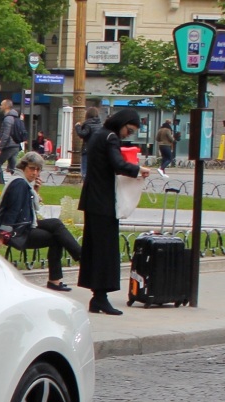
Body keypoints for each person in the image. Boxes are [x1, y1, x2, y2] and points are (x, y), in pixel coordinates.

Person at [78, 107, 150, 315]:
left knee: (95, 249)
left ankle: (97, 296)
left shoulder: (98, 134)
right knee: (106, 251)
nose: (129, 134)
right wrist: (138, 170)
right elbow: (118, 164)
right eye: (129, 129)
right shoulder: (110, 137)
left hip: (92, 200)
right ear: (122, 123)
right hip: (103, 202)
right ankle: (100, 297)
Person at [0, 152, 81, 292]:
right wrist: (2, 237)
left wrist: (35, 190)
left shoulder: (23, 182)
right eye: (32, 169)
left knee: (56, 224)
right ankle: (77, 262)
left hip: (26, 225)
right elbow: (11, 211)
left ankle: (74, 263)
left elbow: (31, 207)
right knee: (57, 237)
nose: (35, 173)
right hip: (19, 232)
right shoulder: (19, 184)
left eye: (38, 170)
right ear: (24, 166)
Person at [0, 105, 24, 184]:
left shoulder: (8, 119)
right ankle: (18, 182)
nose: (0, 106)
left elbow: (6, 135)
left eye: (2, 105)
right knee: (12, 168)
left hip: (9, 145)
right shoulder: (16, 118)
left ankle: (1, 182)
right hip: (16, 144)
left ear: (6, 107)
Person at [74, 106, 102, 177]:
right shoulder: (100, 125)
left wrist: (77, 126)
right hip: (97, 150)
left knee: (85, 170)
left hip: (87, 149)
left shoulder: (88, 124)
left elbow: (82, 134)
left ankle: (86, 185)